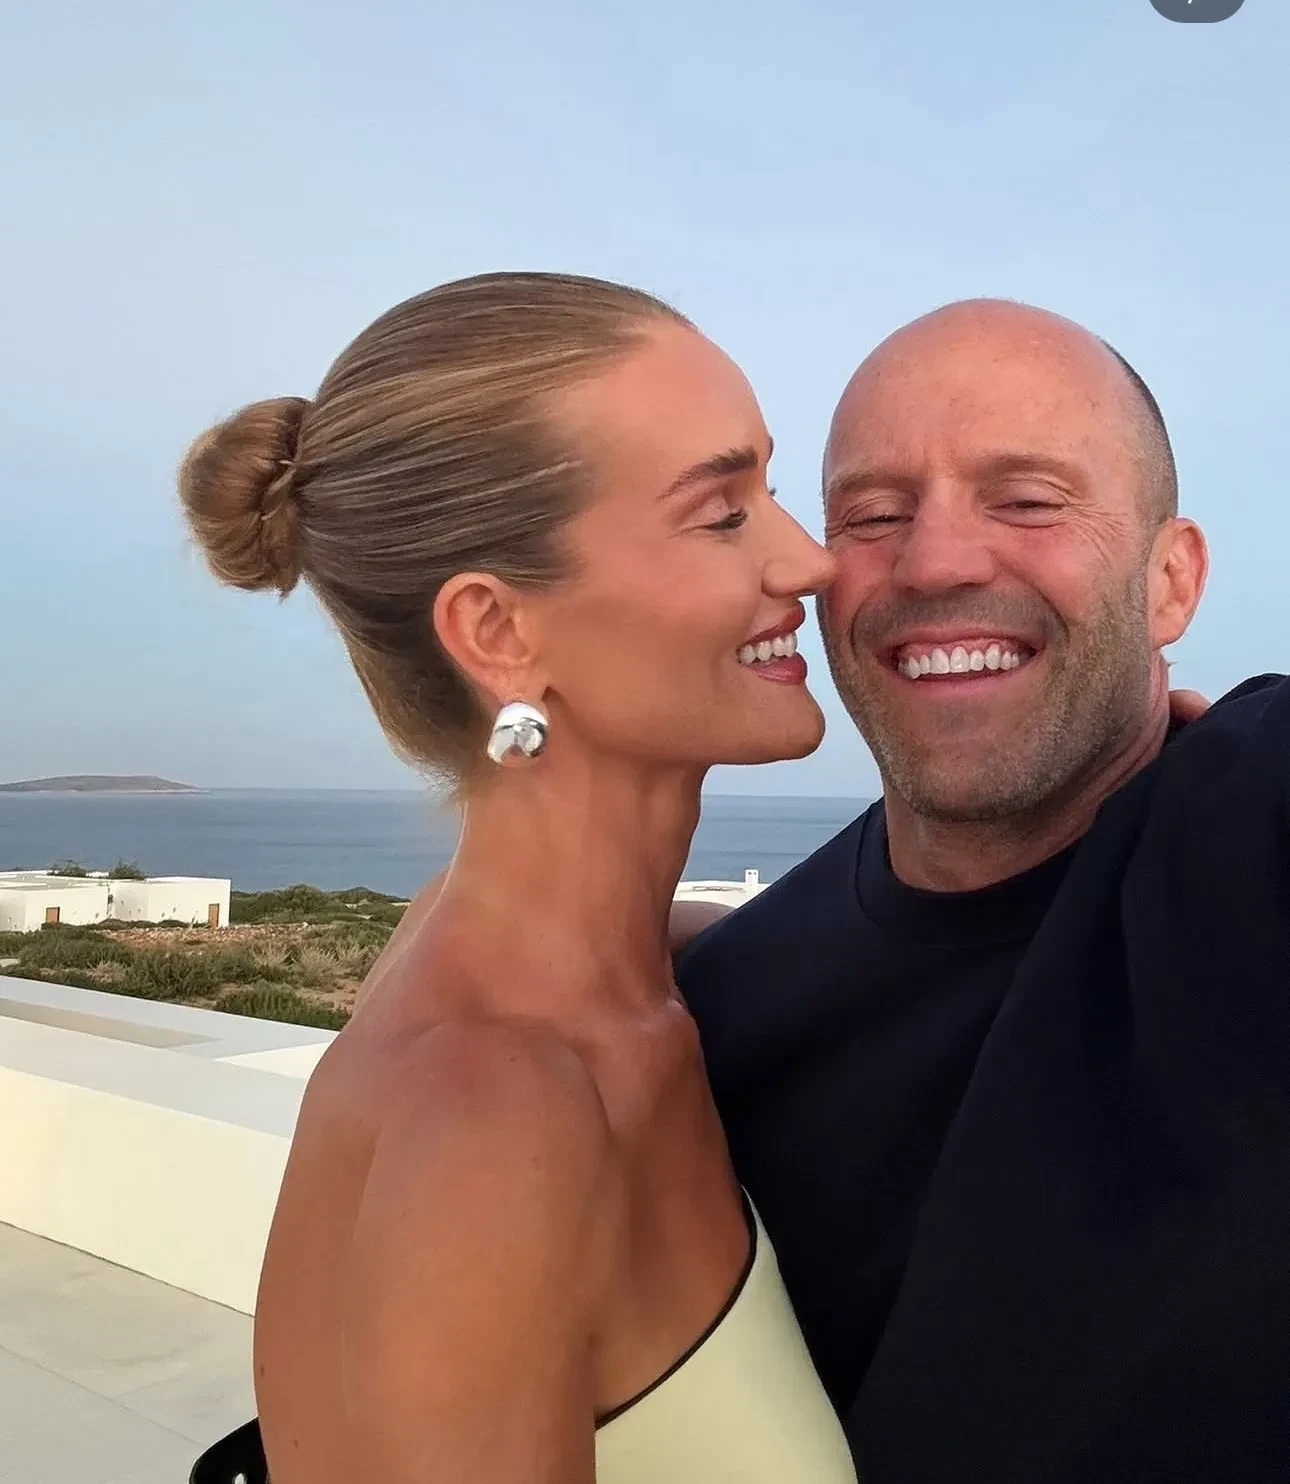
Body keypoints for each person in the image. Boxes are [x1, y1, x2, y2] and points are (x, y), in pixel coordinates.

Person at [178, 272, 859, 1484]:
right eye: (722, 515)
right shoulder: (497, 1115)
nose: (809, 559)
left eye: (770, 486)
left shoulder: (601, 968)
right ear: (498, 632)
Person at [676, 298, 1290, 1484]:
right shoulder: (727, 1008)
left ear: (1171, 582)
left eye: (1028, 499)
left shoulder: (1252, 823)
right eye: (873, 513)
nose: (936, 560)